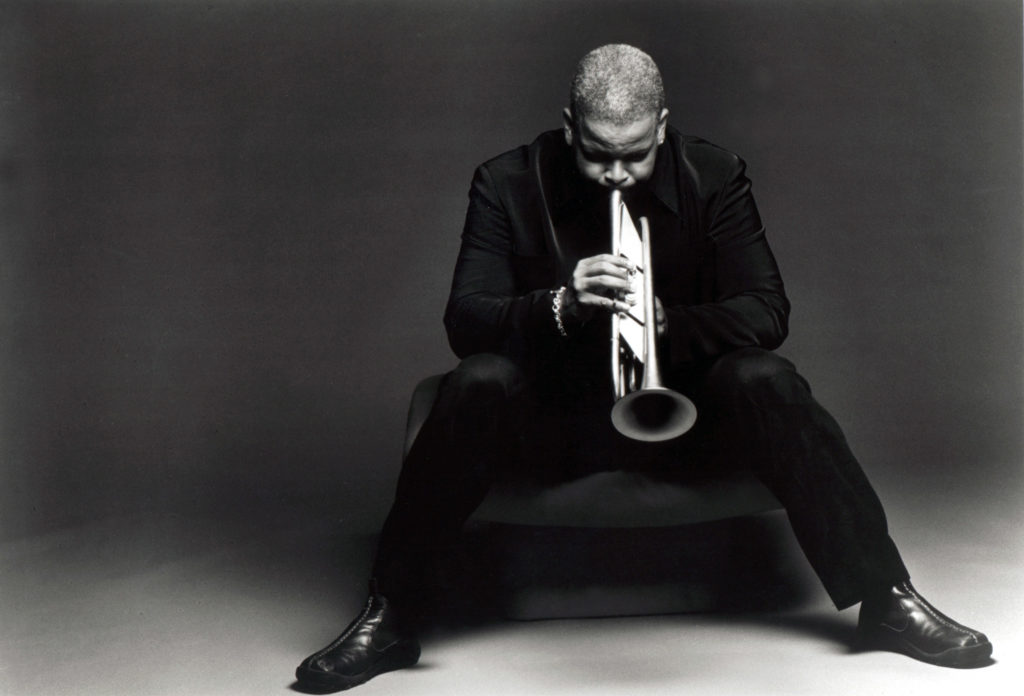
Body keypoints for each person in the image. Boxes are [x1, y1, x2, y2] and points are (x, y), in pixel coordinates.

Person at [295, 44, 992, 692]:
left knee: (766, 379)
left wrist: (670, 325)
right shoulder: (505, 182)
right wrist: (560, 306)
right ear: (570, 127)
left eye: (635, 155)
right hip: (552, 426)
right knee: (478, 380)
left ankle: (886, 599)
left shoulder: (715, 175)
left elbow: (767, 310)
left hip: (684, 422)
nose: (617, 174)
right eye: (597, 155)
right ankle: (392, 615)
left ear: (661, 127)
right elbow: (465, 321)